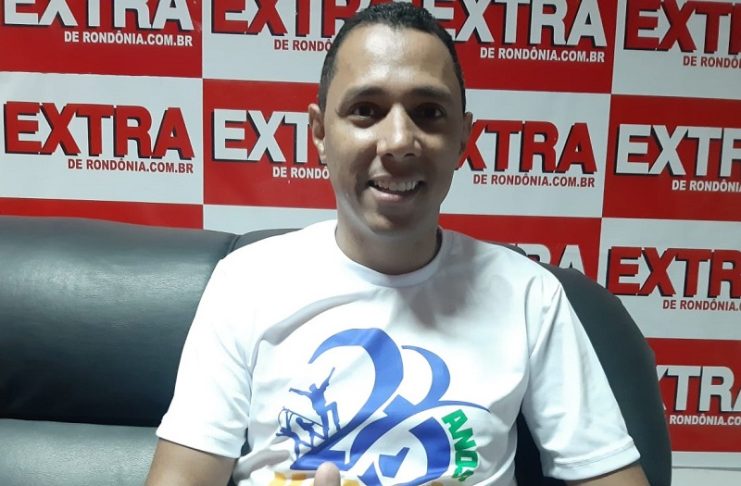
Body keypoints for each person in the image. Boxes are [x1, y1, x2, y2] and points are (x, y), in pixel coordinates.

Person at [146, 3, 650, 485]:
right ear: (319, 133)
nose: (399, 142)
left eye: (428, 113)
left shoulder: (529, 296)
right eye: (366, 110)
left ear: (463, 139)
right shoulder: (246, 281)